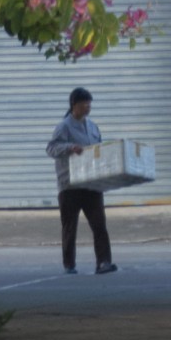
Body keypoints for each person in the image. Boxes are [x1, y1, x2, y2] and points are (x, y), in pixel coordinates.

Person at [47, 86, 120, 274]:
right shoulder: (63, 127)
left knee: (99, 225)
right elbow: (51, 149)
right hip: (70, 185)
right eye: (84, 104)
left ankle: (103, 262)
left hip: (92, 184)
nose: (87, 108)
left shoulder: (93, 127)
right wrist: (71, 147)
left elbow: (99, 150)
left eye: (89, 105)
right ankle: (69, 264)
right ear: (74, 105)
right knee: (70, 227)